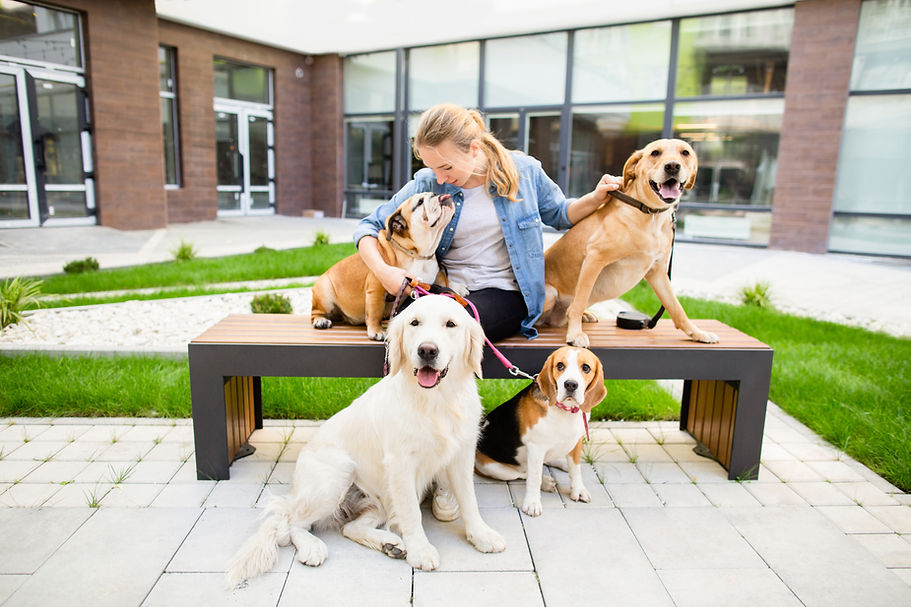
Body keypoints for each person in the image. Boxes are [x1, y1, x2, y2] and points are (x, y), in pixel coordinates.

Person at [353, 103, 621, 342]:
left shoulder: (524, 171)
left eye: (446, 167)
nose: (440, 179)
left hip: (503, 293)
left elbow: (560, 214)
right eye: (433, 168)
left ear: (473, 149)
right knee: (419, 327)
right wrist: (384, 272)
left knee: (449, 326)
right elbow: (368, 227)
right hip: (441, 287)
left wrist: (595, 198)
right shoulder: (428, 181)